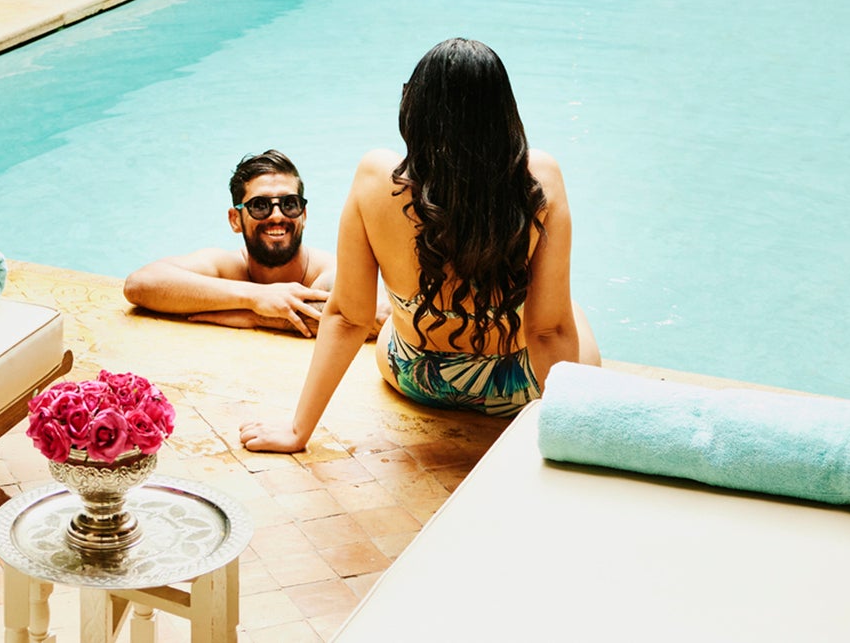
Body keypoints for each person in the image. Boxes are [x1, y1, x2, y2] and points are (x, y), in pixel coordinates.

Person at [239, 39, 600, 453]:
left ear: (415, 110)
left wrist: (297, 431)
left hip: (417, 376)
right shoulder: (540, 179)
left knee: (394, 312)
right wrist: (572, 444)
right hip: (519, 388)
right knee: (567, 311)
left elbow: (346, 316)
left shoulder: (376, 179)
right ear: (503, 114)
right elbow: (548, 331)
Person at [123, 150, 336, 337]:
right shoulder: (226, 266)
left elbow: (360, 316)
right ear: (235, 219)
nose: (277, 215)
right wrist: (256, 296)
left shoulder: (326, 270)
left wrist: (256, 317)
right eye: (259, 205)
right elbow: (139, 285)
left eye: (289, 204)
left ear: (304, 215)